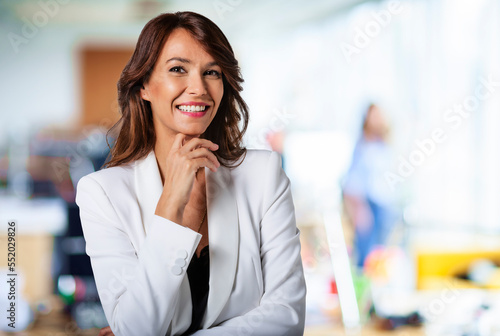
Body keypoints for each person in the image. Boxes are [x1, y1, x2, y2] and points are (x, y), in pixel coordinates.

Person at [75, 11, 306, 336]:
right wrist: (170, 207)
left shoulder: (263, 176)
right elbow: (136, 328)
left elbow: (287, 318)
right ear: (144, 86)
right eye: (178, 69)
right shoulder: (102, 193)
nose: (198, 88)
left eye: (211, 72)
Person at [342, 104, 398, 269]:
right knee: (366, 257)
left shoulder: (385, 146)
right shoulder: (362, 147)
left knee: (382, 257)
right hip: (368, 207)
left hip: (386, 208)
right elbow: (352, 184)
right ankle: (363, 291)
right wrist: (359, 211)